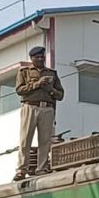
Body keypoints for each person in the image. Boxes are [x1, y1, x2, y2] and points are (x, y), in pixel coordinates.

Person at [14, 46, 64, 180]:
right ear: (32, 58)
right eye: (37, 57)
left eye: (42, 56)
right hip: (30, 106)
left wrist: (50, 89)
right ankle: (21, 169)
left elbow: (60, 95)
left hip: (47, 108)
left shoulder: (52, 73)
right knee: (25, 139)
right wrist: (37, 84)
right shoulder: (24, 72)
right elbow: (19, 90)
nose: (40, 59)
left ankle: (41, 168)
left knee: (45, 140)